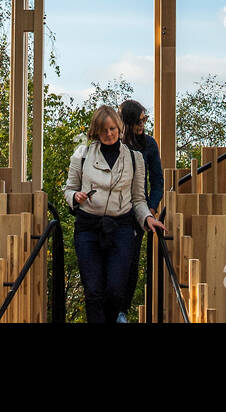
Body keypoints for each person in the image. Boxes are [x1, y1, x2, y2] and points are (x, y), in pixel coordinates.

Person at [63, 105, 166, 323]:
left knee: (115, 290)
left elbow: (138, 199)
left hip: (121, 228)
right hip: (89, 228)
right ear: (96, 132)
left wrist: (148, 218)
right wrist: (75, 197)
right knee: (93, 291)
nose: (109, 134)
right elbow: (69, 189)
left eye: (112, 129)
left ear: (119, 128)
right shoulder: (82, 155)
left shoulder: (135, 159)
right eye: (103, 130)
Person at [117, 98, 164, 322]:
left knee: (131, 263)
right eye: (139, 120)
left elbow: (157, 180)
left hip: (138, 211)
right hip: (114, 211)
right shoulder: (114, 142)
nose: (143, 124)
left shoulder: (149, 145)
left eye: (145, 119)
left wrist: (151, 209)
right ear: (128, 122)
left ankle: (122, 310)